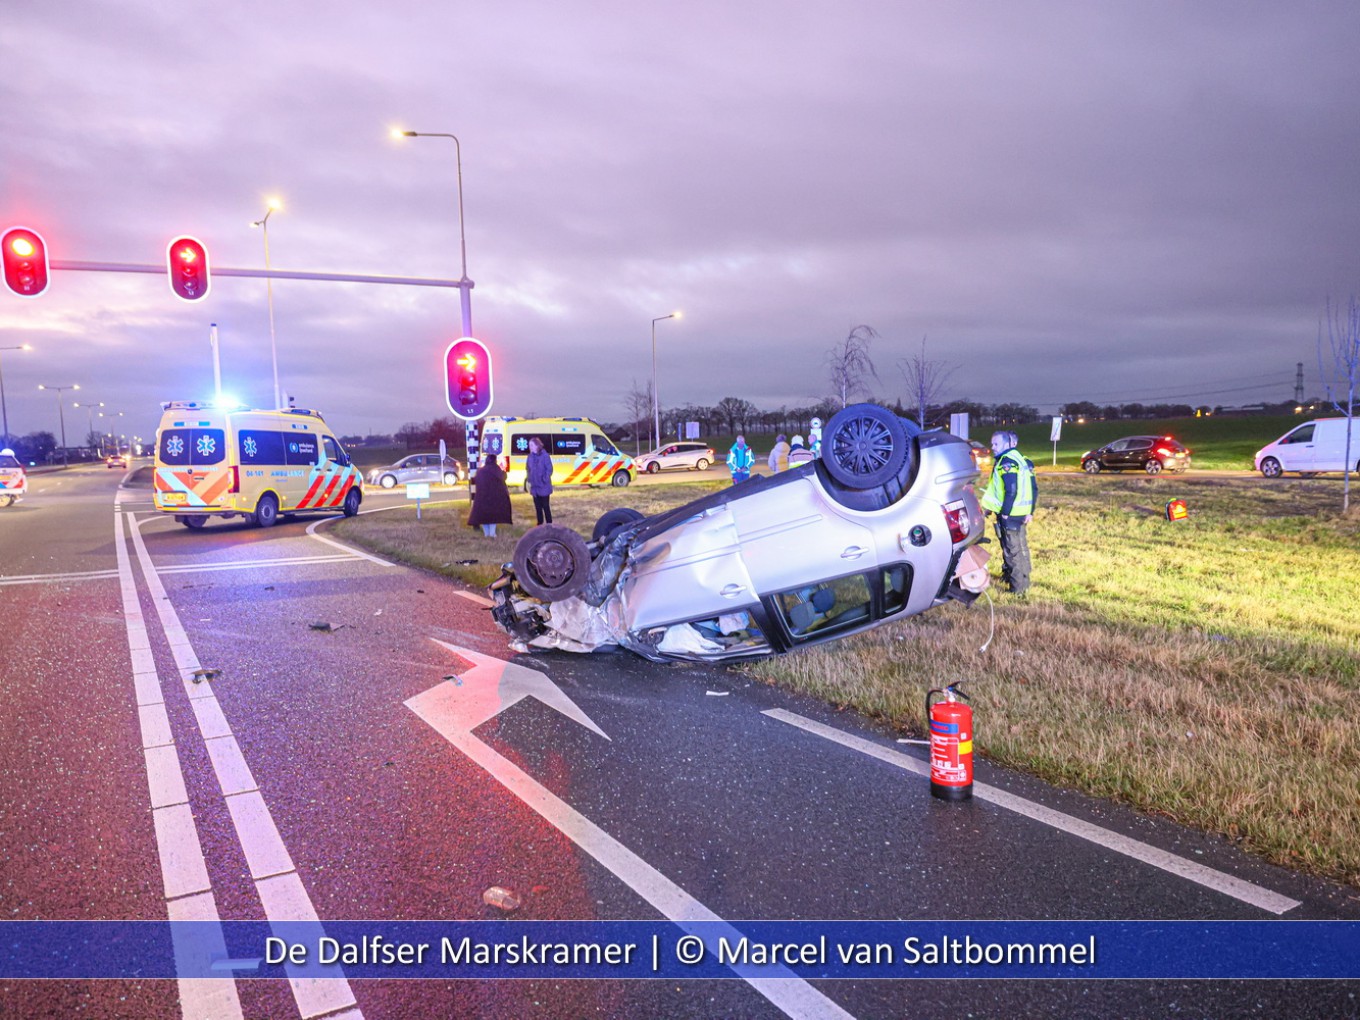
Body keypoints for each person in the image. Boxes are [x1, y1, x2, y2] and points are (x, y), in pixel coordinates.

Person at [979, 430, 1037, 595]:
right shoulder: (1020, 460)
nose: (992, 447)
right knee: (1020, 548)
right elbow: (1032, 488)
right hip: (1021, 512)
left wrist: (1005, 513)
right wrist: (1030, 511)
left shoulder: (1007, 462)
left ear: (1006, 443)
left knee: (1012, 552)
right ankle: (1024, 580)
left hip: (1010, 514)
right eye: (992, 443)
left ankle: (1018, 588)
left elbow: (1011, 489)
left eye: (996, 443)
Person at [467, 454, 512, 537]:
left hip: (481, 497)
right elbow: (502, 477)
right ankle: (492, 533)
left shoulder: (480, 471)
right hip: (493, 497)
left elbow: (475, 480)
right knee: (492, 516)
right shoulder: (496, 469)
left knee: (484, 516)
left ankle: (487, 533)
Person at [525, 436, 554, 524]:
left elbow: (549, 469)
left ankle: (549, 524)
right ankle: (540, 524)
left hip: (544, 486)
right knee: (538, 507)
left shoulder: (545, 456)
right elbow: (528, 469)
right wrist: (529, 479)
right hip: (534, 487)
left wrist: (544, 479)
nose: (530, 447)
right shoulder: (530, 457)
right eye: (529, 445)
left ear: (537, 445)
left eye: (532, 445)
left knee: (545, 507)